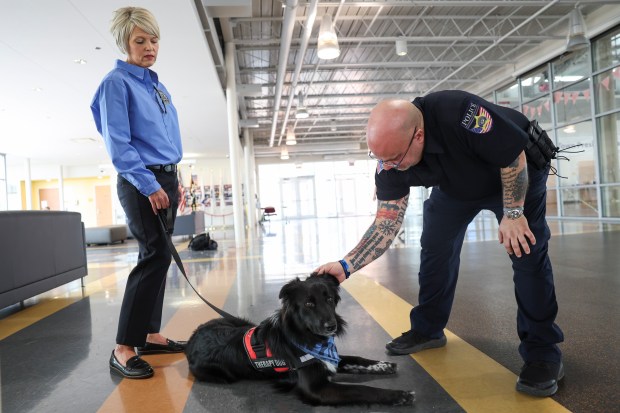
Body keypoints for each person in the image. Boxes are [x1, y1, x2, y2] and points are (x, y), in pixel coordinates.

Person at [315, 91, 565, 397]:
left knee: (526, 252)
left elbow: (512, 156)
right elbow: (386, 224)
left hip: (515, 174)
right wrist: (346, 265)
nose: (389, 166)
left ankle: (543, 354)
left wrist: (513, 214)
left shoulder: (462, 113)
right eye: (380, 159)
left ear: (419, 136)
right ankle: (428, 329)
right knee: (435, 247)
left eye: (395, 158)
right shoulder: (389, 162)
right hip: (457, 185)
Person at [91, 7, 185, 379]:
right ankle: (123, 347)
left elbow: (167, 138)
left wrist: (172, 179)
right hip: (140, 181)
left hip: (166, 179)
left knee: (160, 258)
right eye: (140, 40)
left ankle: (150, 333)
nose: (149, 47)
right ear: (125, 43)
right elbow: (118, 142)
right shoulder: (117, 83)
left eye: (154, 39)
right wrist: (148, 183)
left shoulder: (158, 86)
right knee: (153, 256)